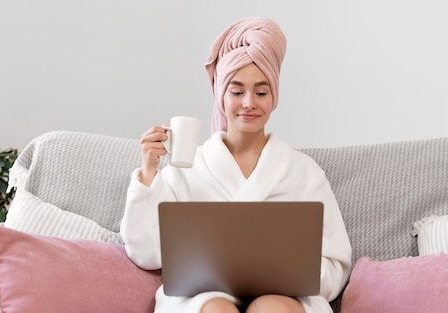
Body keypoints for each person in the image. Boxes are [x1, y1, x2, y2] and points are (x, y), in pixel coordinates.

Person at [120, 17, 352, 313]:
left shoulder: (304, 172)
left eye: (261, 92)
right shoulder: (186, 168)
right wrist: (150, 170)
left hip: (286, 298)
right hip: (202, 297)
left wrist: (286, 275)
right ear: (221, 96)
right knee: (216, 310)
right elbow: (146, 253)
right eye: (237, 91)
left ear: (274, 97)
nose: (249, 103)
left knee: (272, 309)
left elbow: (335, 263)